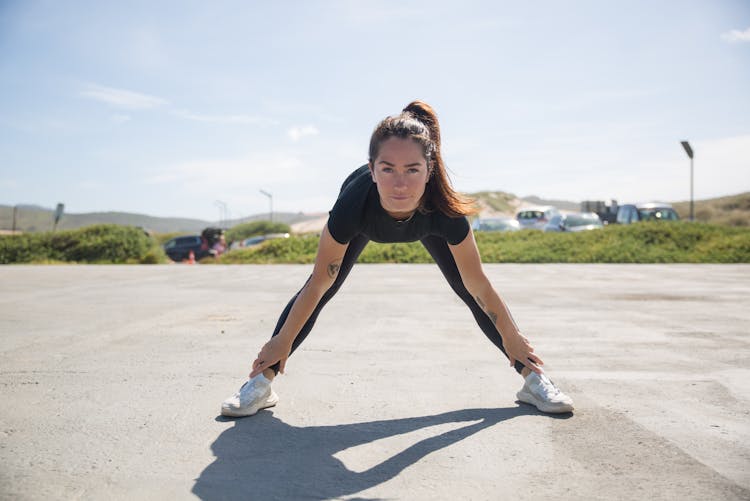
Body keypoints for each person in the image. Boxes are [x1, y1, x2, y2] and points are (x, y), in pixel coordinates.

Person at [221, 101, 573, 417]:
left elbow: (478, 283)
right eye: (388, 169)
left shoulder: (445, 210)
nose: (400, 184)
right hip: (364, 223)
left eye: (412, 170)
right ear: (371, 169)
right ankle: (260, 385)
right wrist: (281, 340)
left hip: (428, 223)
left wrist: (511, 336)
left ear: (429, 170)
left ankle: (534, 380)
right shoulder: (352, 205)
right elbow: (317, 283)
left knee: (469, 294)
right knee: (324, 293)